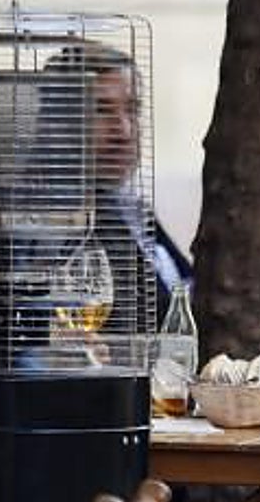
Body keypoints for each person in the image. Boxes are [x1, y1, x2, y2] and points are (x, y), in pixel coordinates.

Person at [43, 44, 191, 330]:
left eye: (132, 109)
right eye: (101, 110)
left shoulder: (133, 208)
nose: (123, 131)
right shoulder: (58, 216)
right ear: (58, 122)